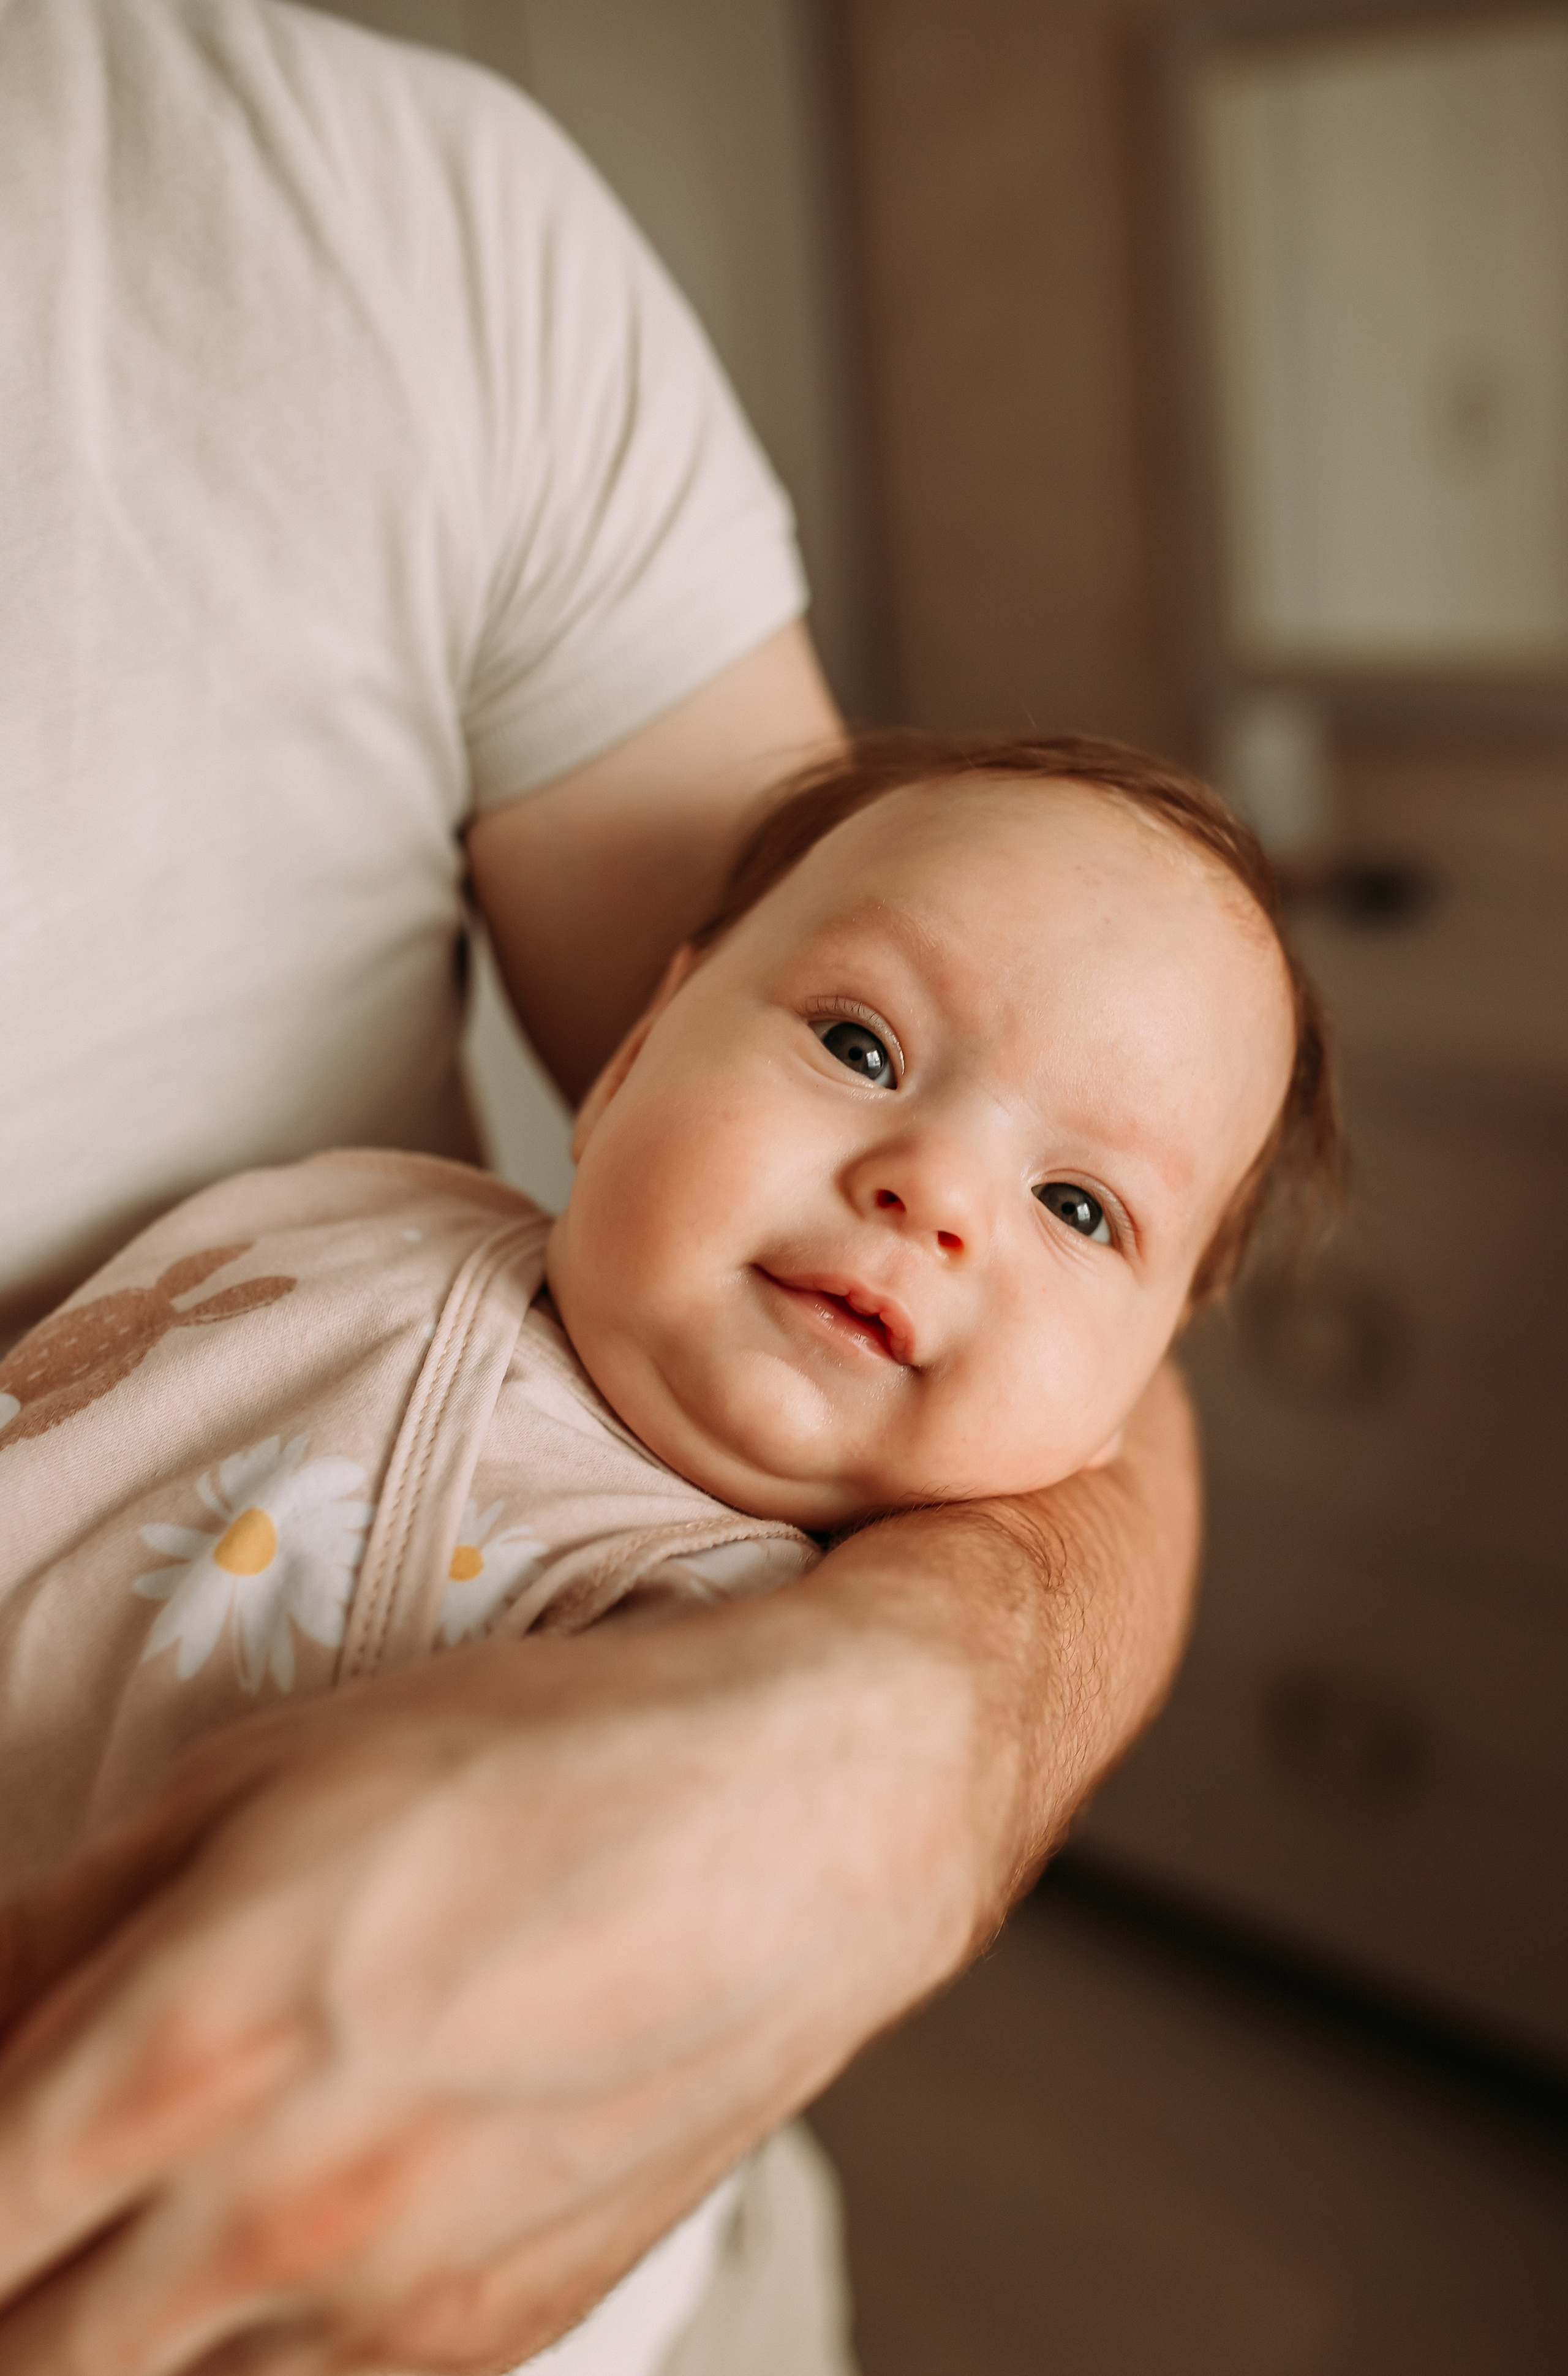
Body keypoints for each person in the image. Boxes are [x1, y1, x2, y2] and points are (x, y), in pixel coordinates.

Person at [1, 2, 1207, 2370]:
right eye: (862, 1048)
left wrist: (897, 1752)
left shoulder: (725, 1602)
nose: (936, 1193)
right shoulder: (307, 1221)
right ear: (639, 1037)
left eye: (1087, 1212)